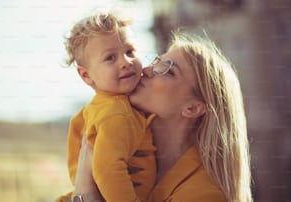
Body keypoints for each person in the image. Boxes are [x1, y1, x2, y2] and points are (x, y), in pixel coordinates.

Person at [72, 31, 253, 202]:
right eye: (157, 61)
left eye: (168, 70)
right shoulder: (121, 139)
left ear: (192, 108)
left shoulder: (203, 195)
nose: (147, 70)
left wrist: (84, 191)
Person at [56, 12, 156, 202]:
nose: (125, 62)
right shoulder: (116, 113)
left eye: (130, 52)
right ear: (86, 76)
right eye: (110, 58)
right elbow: (108, 168)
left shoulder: (99, 108)